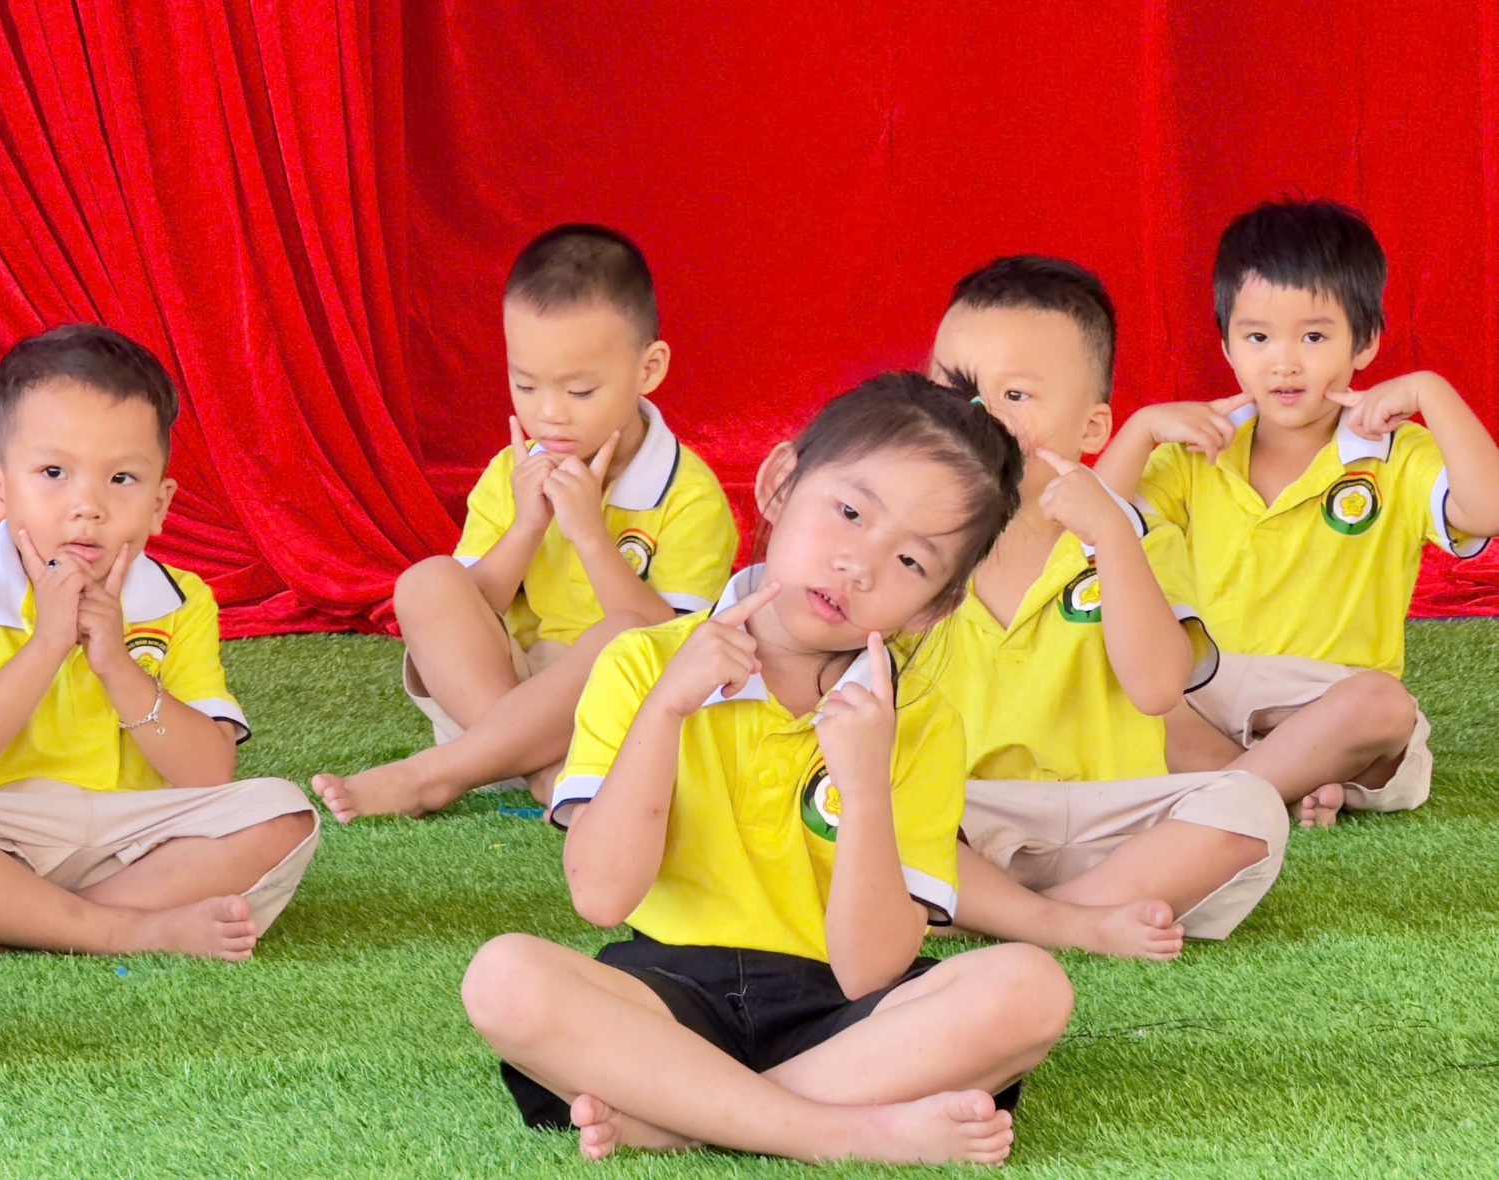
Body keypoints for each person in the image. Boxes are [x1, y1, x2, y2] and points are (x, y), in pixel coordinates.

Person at [462, 374, 1073, 1167]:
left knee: (1031, 989)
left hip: (841, 1019)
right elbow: (602, 898)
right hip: (665, 999)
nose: (858, 565)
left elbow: (870, 969)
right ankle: (837, 1134)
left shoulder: (916, 721)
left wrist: (865, 788)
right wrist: (666, 711)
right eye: (849, 513)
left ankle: (686, 1116)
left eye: (910, 561)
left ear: (935, 607)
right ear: (780, 484)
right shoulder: (642, 664)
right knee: (504, 977)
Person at [926, 256, 1288, 956]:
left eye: (1017, 395)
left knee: (1250, 808)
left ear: (1093, 429)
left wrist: (1112, 538)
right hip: (964, 816)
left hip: (1114, 821)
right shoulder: (908, 541)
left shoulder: (1139, 535)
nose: (981, 417)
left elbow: (1156, 689)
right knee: (853, 805)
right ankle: (1073, 921)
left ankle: (997, 916)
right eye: (958, 389)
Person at [1096, 199, 1499, 827]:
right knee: (1120, 682)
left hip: (1334, 699)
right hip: (1218, 693)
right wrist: (1141, 429)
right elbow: (1092, 527)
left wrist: (1433, 391)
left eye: (1313, 337)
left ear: (1365, 342)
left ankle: (1238, 788)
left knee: (1384, 707)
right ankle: (1283, 780)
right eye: (1258, 337)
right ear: (1227, 345)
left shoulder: (1394, 452)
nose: (1283, 362)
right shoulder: (1196, 450)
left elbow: (1488, 509)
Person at [314, 225, 737, 819]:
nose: (549, 413)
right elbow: (472, 606)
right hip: (506, 693)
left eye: (581, 390)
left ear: (649, 368)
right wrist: (526, 528)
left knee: (623, 633)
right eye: (526, 385)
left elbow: (671, 643)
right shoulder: (511, 472)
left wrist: (589, 535)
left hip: (617, 704)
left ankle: (437, 775)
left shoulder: (690, 496)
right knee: (427, 581)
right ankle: (539, 769)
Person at [0, 324, 318, 960]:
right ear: (3, 484)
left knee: (284, 815)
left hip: (136, 839)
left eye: (122, 478)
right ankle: (125, 930)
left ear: (160, 504)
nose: (88, 506)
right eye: (54, 472)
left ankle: (37, 918)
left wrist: (116, 664)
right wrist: (49, 644)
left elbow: (206, 774)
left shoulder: (181, 600)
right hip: (10, 825)